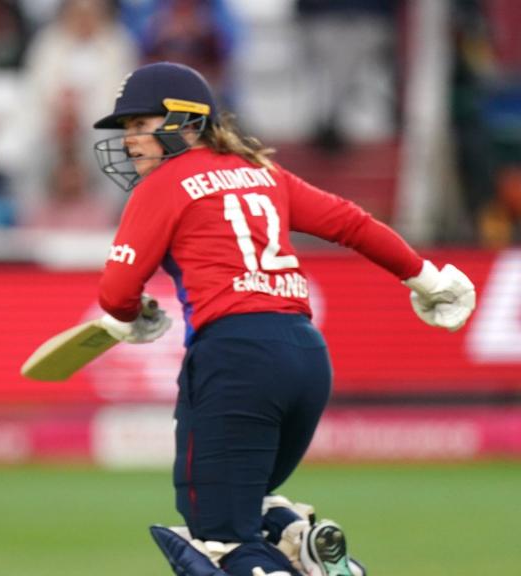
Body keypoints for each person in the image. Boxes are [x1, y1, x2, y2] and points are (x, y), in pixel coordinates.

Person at [89, 62, 477, 576]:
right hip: (306, 356)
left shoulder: (161, 187)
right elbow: (350, 223)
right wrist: (427, 278)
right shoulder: (261, 171)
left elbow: (116, 293)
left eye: (141, 125)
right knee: (248, 502)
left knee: (216, 538)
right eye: (127, 130)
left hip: (235, 360)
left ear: (187, 122)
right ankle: (301, 541)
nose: (131, 141)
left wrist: (134, 317)